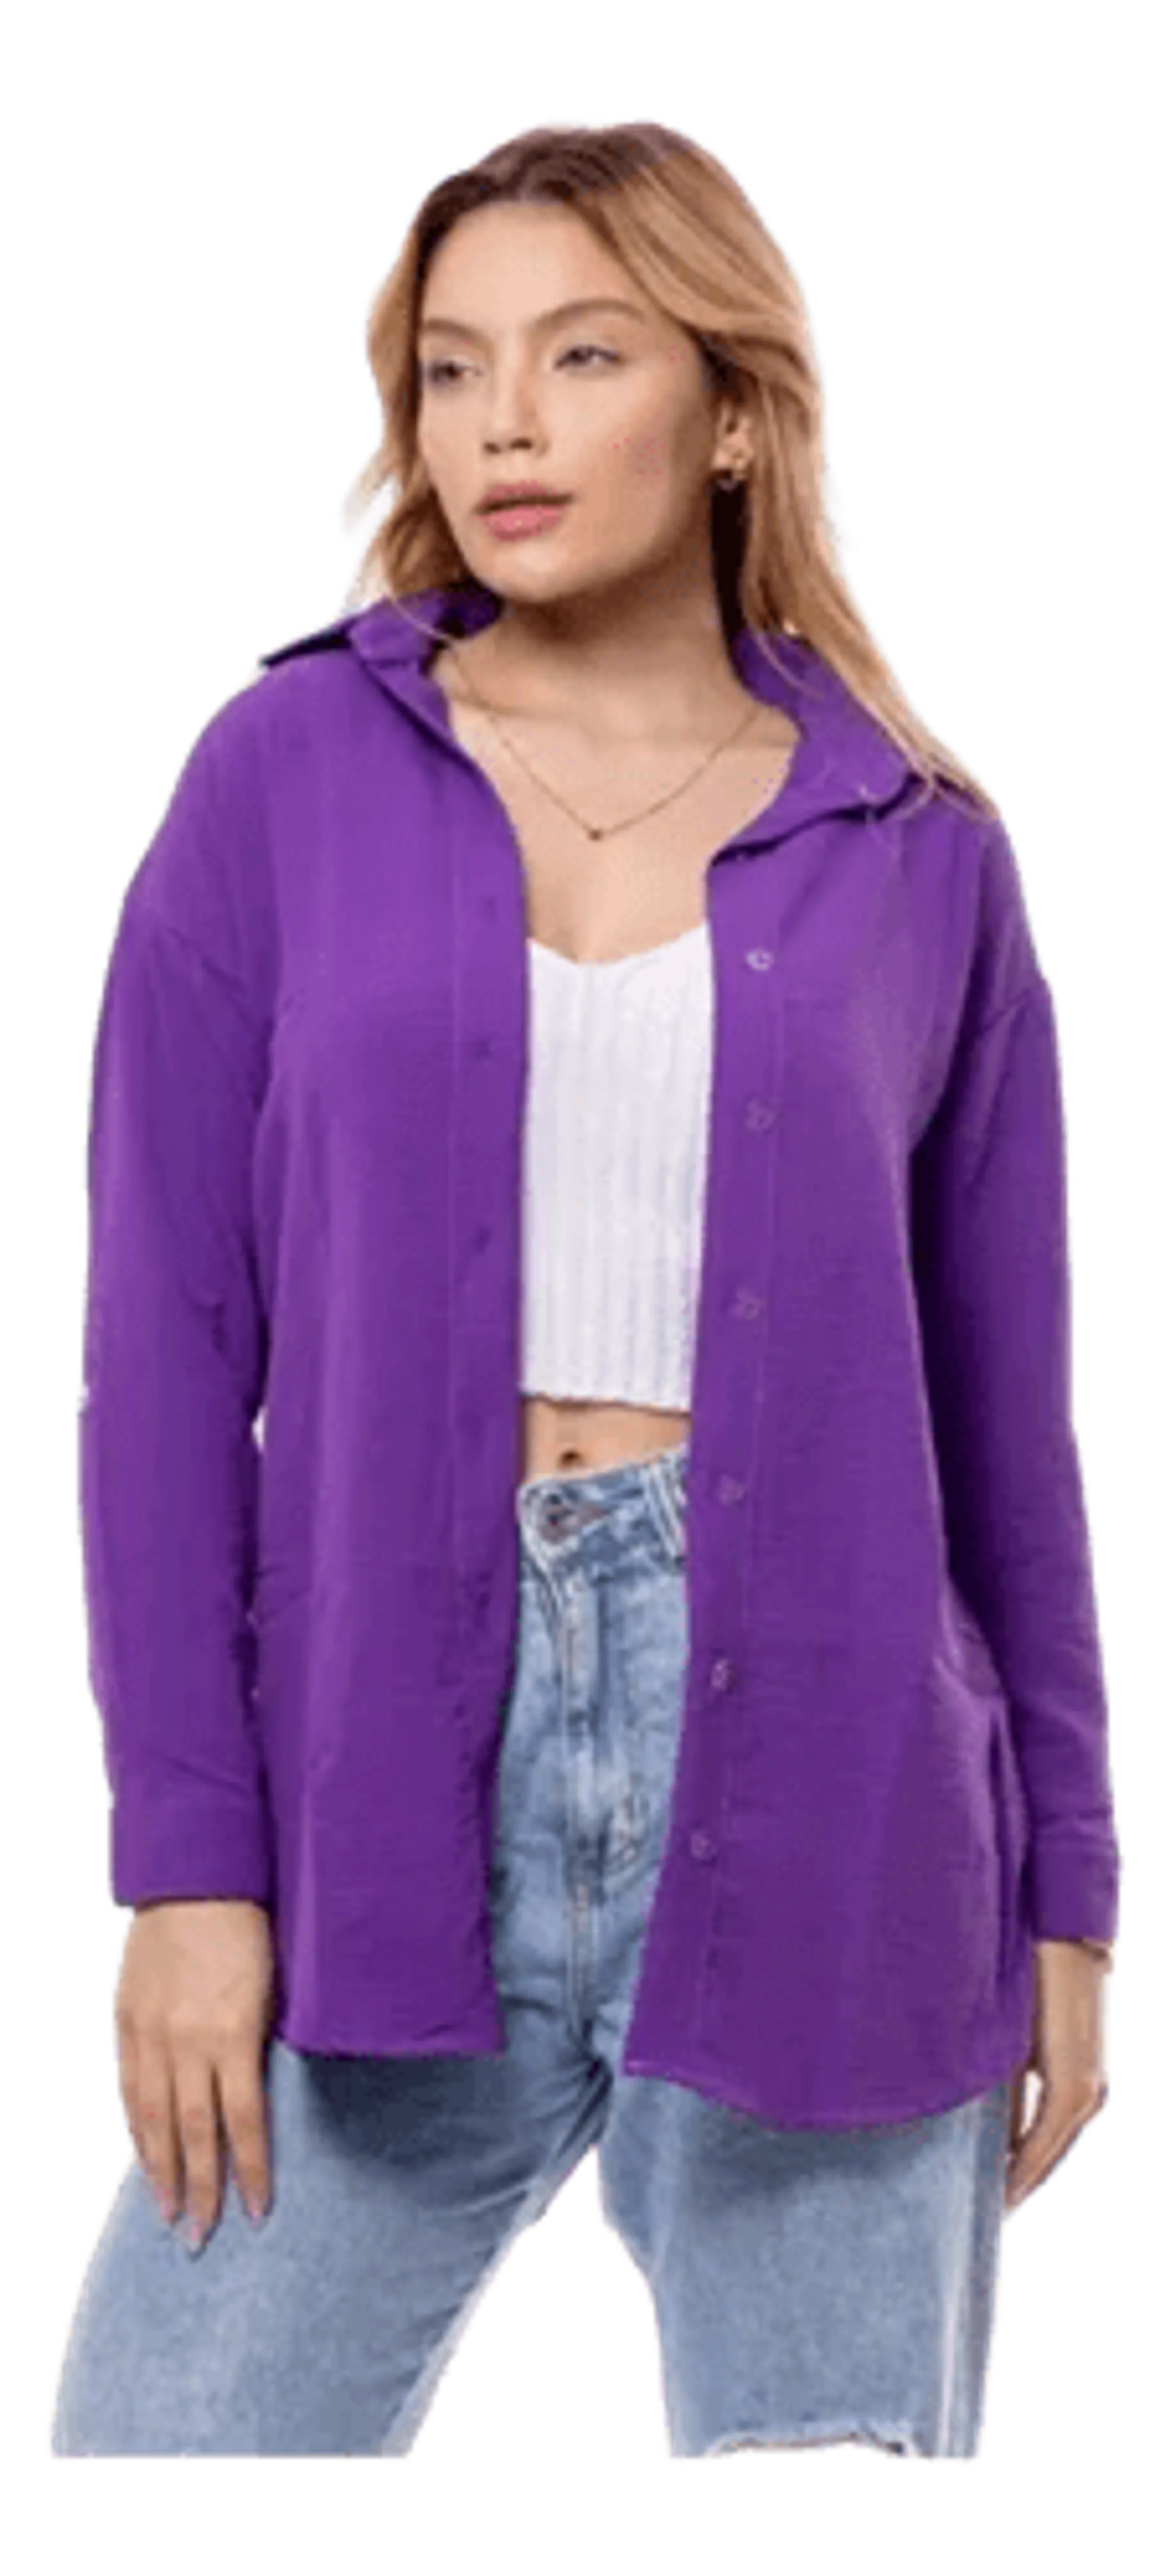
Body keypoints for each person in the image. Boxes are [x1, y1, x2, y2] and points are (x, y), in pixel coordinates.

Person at [46, 118, 1120, 2466]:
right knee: (175, 2432)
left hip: (845, 1786)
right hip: (369, 1774)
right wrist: (185, 1871)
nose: (504, 426)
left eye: (583, 356)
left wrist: (1073, 1888)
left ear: (731, 411)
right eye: (451, 370)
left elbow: (1008, 1428)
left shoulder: (916, 846)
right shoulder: (284, 771)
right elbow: (161, 1370)